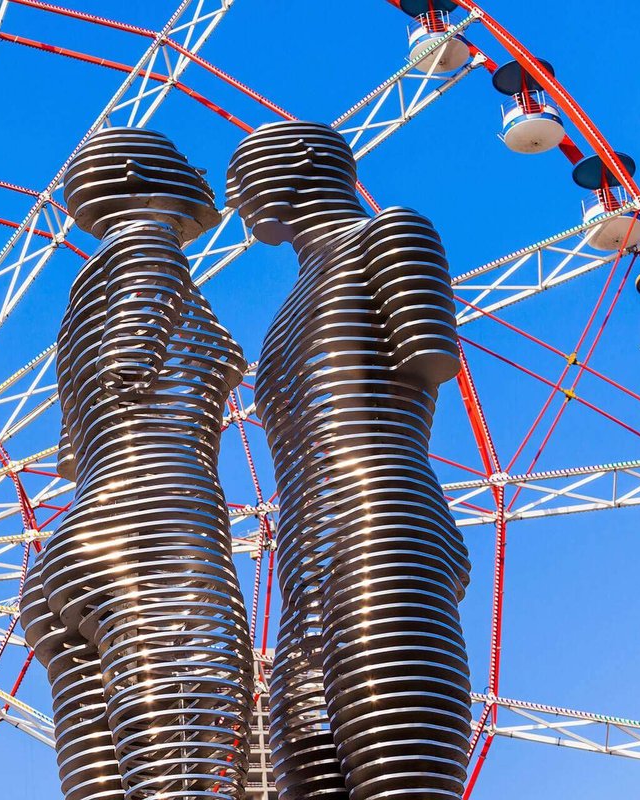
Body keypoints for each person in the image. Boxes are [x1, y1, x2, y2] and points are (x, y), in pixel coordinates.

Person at [224, 120, 472, 800]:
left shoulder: (389, 235)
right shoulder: (279, 318)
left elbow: (430, 356)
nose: (233, 191)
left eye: (247, 170)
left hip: (380, 519)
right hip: (305, 564)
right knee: (300, 773)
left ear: (304, 159)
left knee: (400, 766)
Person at [21, 126, 253, 800]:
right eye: (184, 159)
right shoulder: (152, 251)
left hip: (72, 550)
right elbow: (130, 362)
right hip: (155, 531)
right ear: (133, 172)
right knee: (200, 758)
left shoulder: (78, 297)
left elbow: (72, 447)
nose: (202, 172)